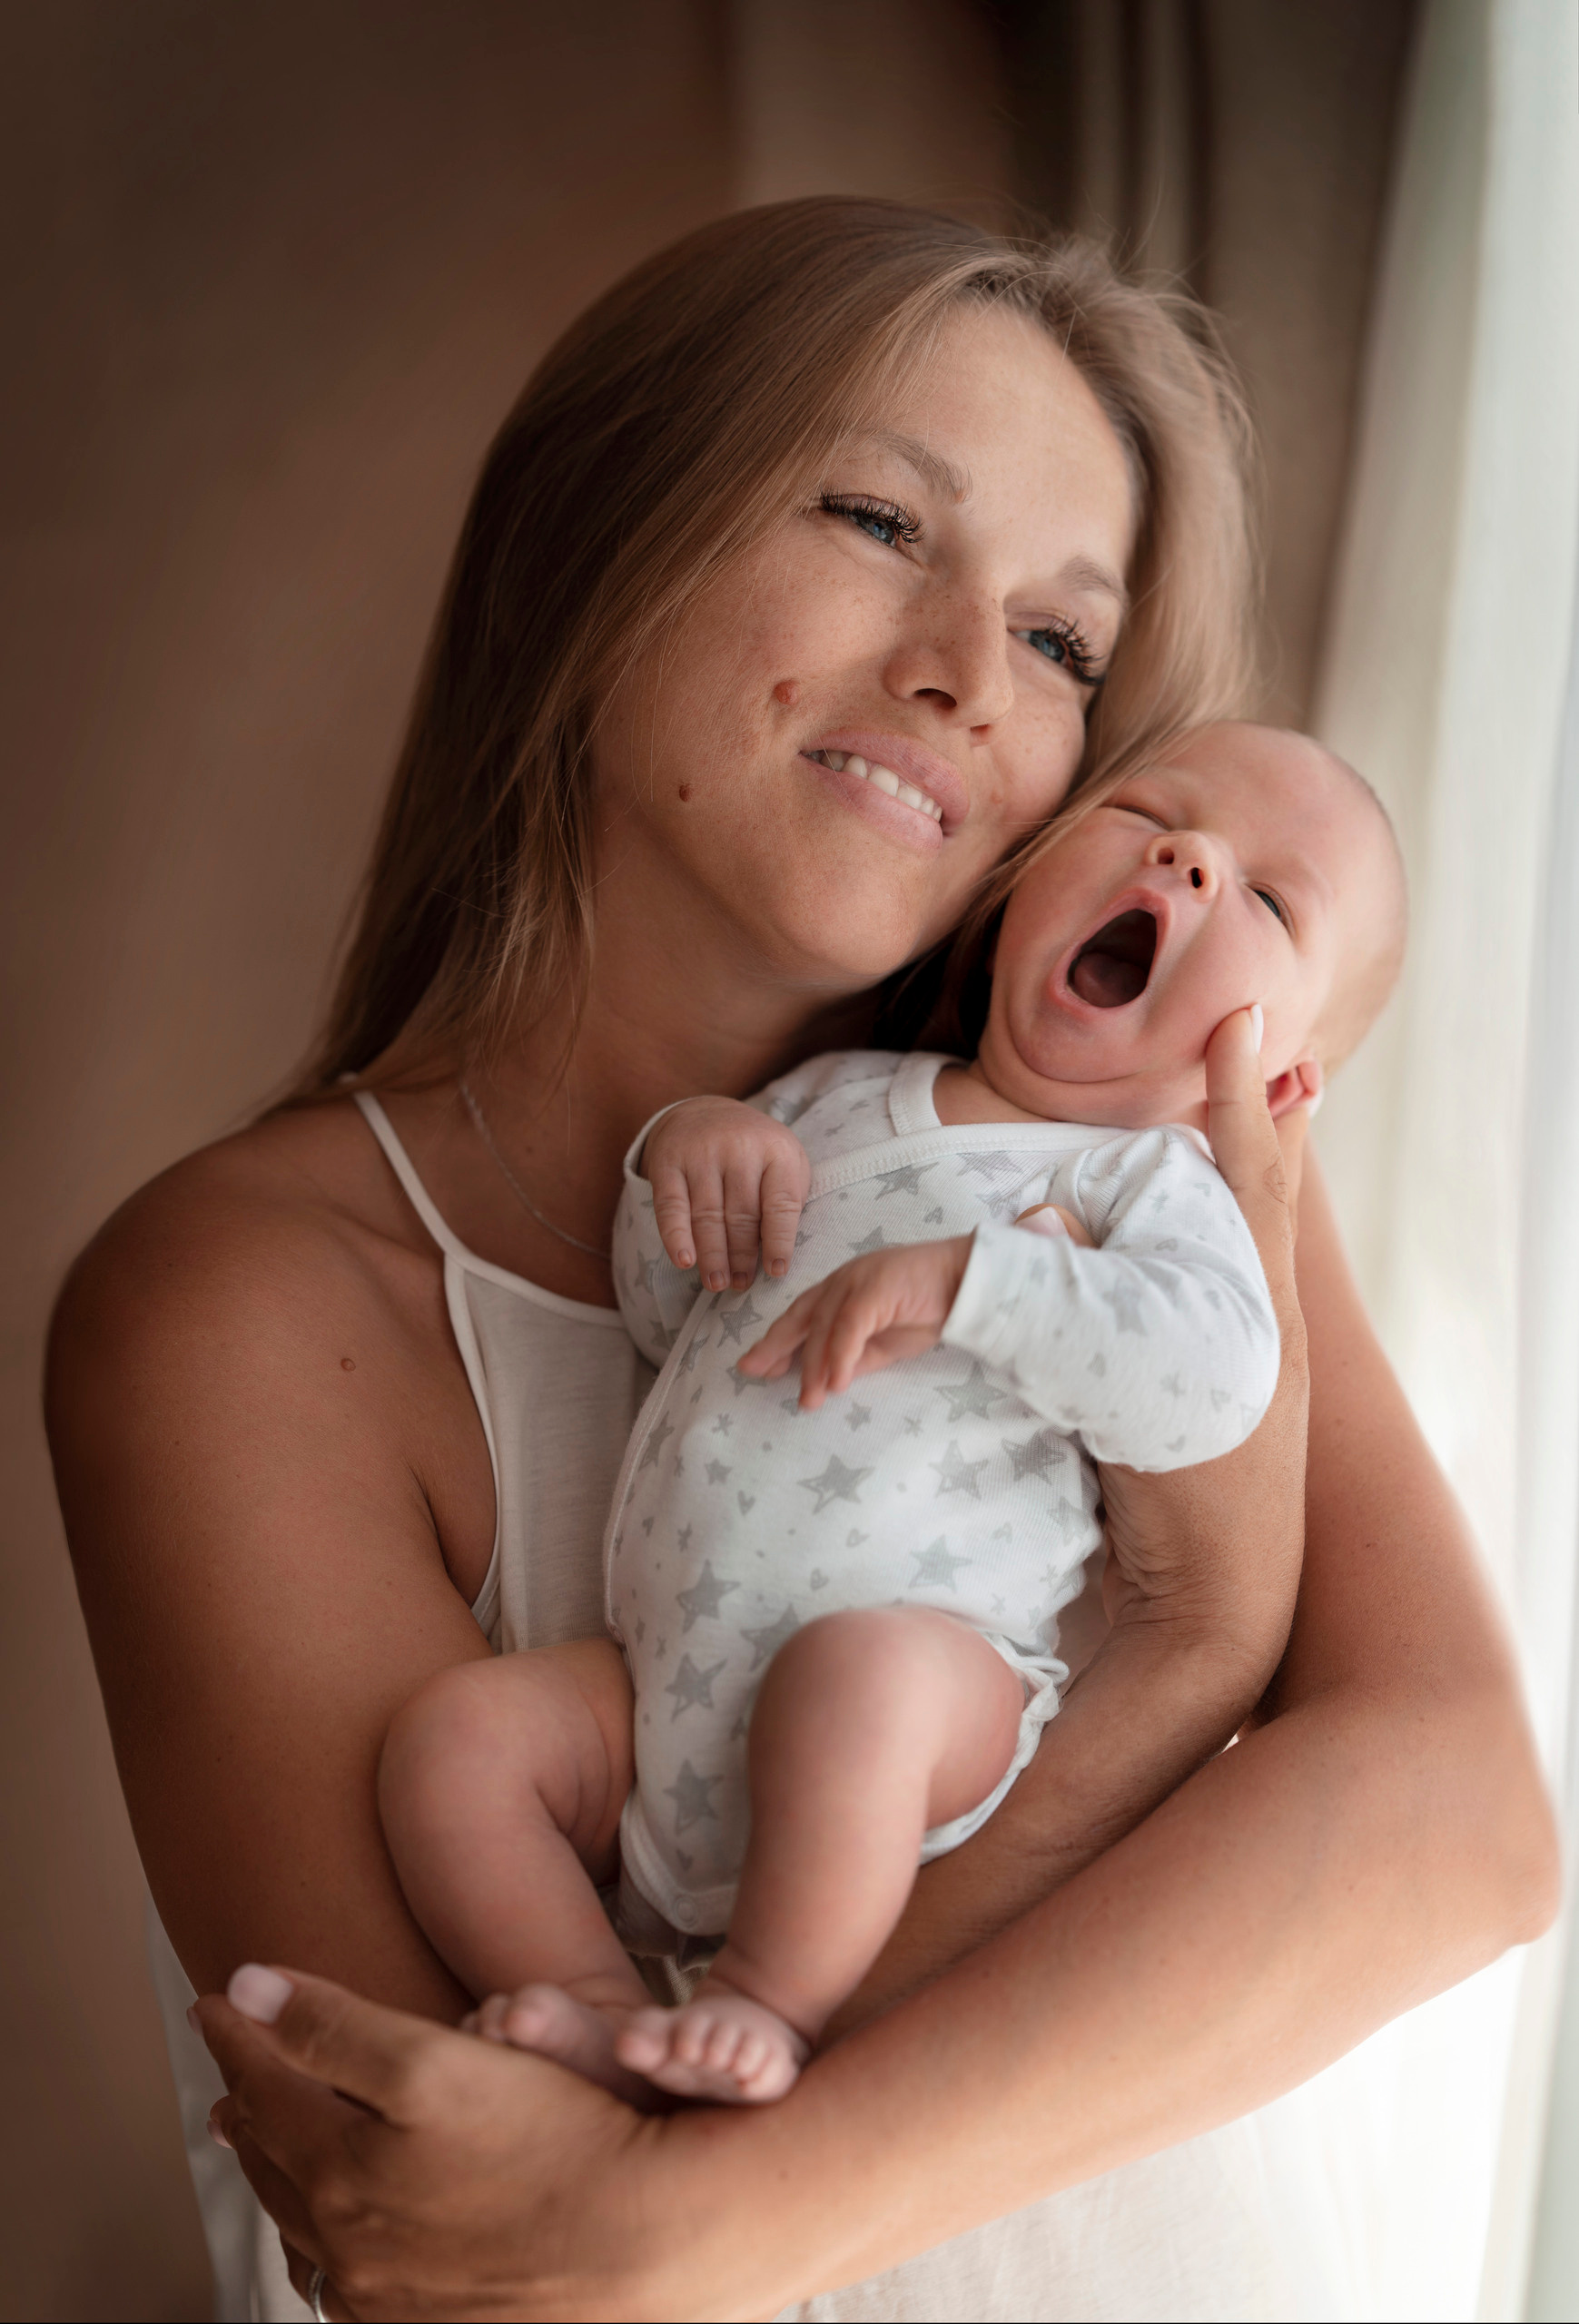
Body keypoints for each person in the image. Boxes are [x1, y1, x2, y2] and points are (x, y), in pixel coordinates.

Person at [46, 201, 1555, 2323]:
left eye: (1063, 643)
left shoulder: (1133, 1168)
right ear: (597, 537)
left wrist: (682, 2217)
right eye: (876, 518)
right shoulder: (239, 1310)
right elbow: (471, 2258)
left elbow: (1467, 1823)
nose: (967, 675)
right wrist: (1189, 1652)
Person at [376, 721, 1403, 2114]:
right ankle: (604, 2020)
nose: (1188, 857)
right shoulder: (834, 1098)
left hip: (930, 1692)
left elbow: (1215, 1380)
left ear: (1274, 1087)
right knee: (455, 1744)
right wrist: (687, 1156)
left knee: (853, 1681)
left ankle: (763, 2002)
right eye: (1146, 811)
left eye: (1271, 901)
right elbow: (670, 1314)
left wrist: (979, 1282)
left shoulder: (1145, 1191)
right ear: (1022, 889)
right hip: (665, 1694)